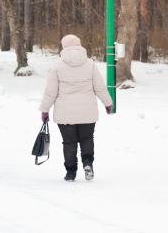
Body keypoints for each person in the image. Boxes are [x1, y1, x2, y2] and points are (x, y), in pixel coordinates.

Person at [39, 34, 113, 182]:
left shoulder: (58, 66)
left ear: (63, 46)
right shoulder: (90, 64)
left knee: (69, 142)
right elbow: (99, 88)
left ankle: (71, 172)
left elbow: (50, 92)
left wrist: (45, 109)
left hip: (65, 113)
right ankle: (87, 163)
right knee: (87, 138)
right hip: (87, 111)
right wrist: (108, 103)